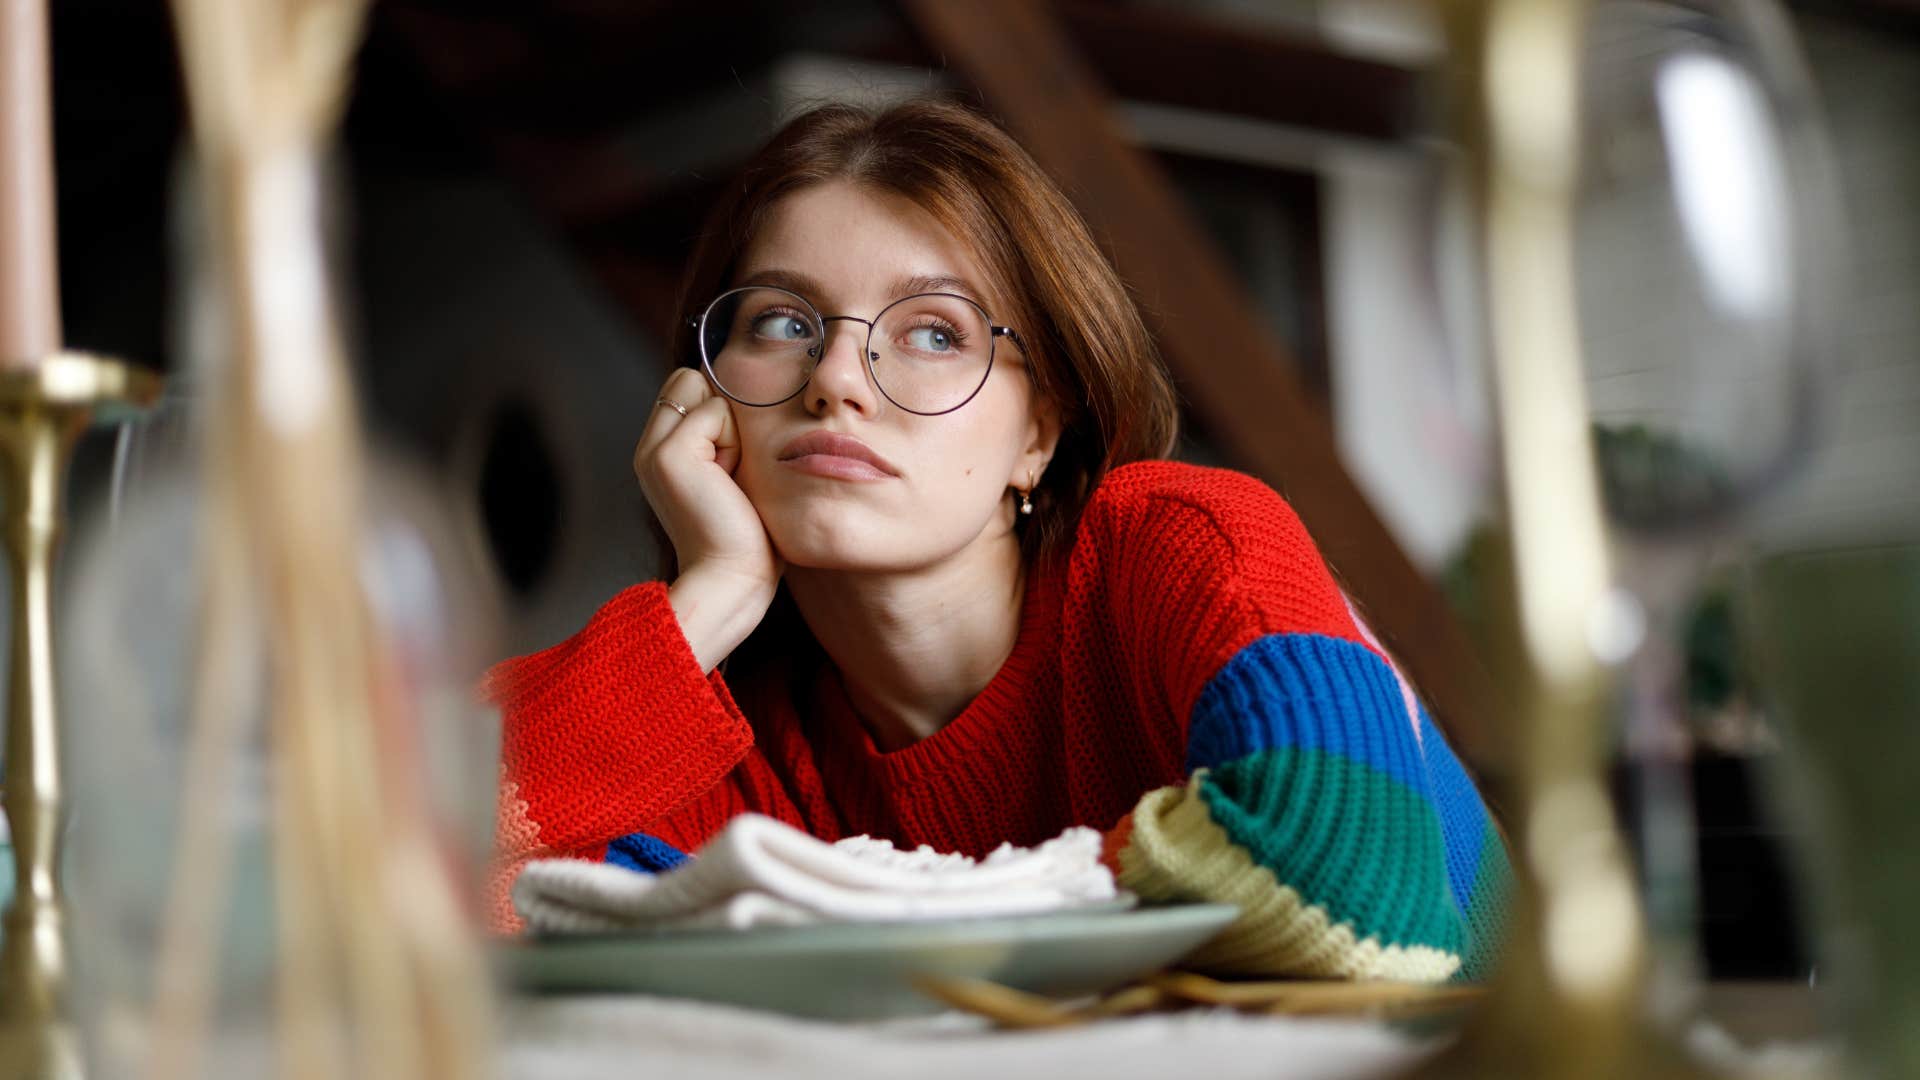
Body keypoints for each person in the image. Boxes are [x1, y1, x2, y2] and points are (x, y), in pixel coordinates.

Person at [485, 99, 1509, 981]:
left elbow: (1356, 887)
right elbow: (388, 896)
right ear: (709, 400)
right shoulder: (719, 749)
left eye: (936, 332)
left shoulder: (1185, 547)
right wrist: (705, 601)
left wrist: (870, 922)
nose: (835, 379)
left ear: (1040, 430)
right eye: (784, 323)